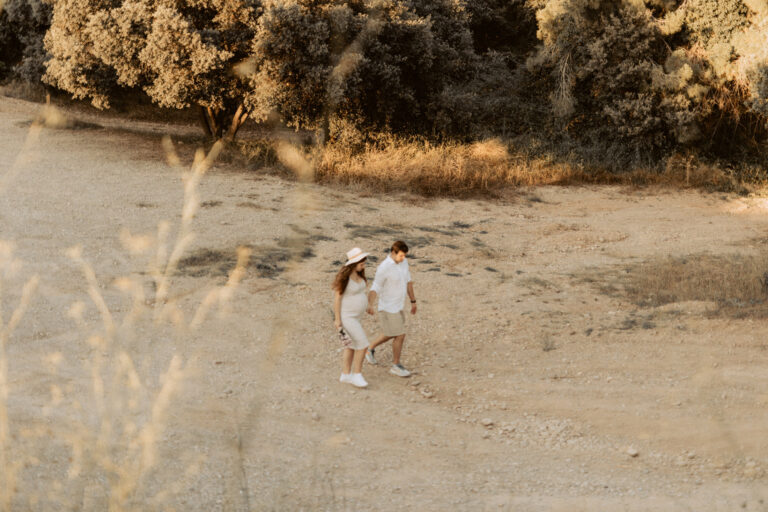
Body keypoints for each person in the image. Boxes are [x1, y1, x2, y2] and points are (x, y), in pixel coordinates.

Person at [366, 240, 417, 377]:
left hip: (399, 305)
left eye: (404, 255)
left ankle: (369, 348)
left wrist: (413, 301)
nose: (403, 258)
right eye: (400, 255)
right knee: (400, 334)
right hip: (388, 307)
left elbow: (408, 282)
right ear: (393, 252)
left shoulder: (404, 262)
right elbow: (375, 287)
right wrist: (370, 304)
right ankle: (396, 365)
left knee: (390, 333)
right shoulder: (384, 267)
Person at [333, 247, 371, 387]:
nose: (364, 266)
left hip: (357, 317)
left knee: (351, 346)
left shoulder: (360, 275)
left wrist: (367, 306)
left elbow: (361, 293)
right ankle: (357, 375)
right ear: (354, 264)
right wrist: (337, 320)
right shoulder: (344, 279)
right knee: (363, 344)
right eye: (361, 264)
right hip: (347, 317)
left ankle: (345, 374)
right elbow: (337, 299)